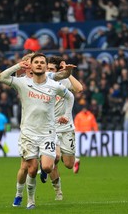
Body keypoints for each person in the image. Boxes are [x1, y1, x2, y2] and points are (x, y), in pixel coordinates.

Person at [0, 53, 74, 209]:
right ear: (30, 65)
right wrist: (19, 65)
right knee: (30, 169)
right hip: (28, 134)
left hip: (47, 133)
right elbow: (1, 77)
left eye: (42, 62)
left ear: (46, 66)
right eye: (36, 62)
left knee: (46, 167)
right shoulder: (22, 83)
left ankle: (42, 175)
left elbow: (70, 95)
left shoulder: (53, 84)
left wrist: (66, 114)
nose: (39, 64)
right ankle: (29, 200)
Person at [47, 56, 83, 200]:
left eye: (51, 69)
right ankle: (58, 191)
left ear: (57, 70)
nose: (47, 71)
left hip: (66, 127)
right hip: (49, 128)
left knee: (68, 164)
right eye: (46, 68)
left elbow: (79, 89)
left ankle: (74, 158)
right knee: (53, 158)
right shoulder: (42, 82)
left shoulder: (63, 81)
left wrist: (68, 72)